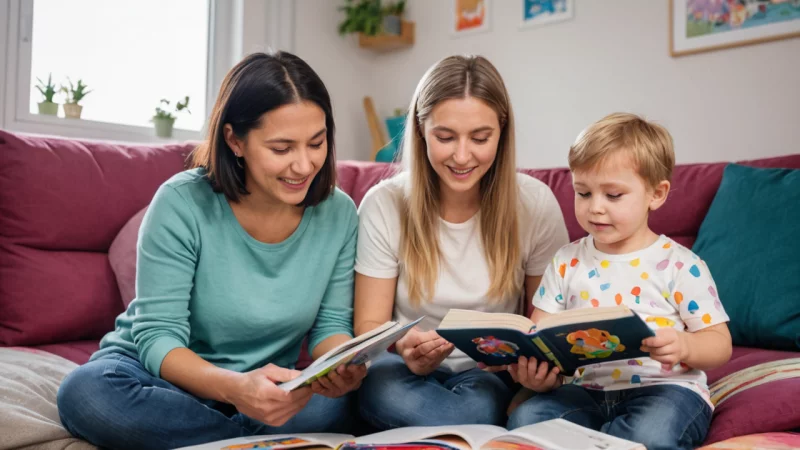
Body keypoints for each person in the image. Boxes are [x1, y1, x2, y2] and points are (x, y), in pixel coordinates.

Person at [57, 51, 366, 450]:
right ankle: (252, 442)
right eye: (282, 148)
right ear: (235, 140)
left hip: (264, 391)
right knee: (86, 393)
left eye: (317, 143)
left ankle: (223, 440)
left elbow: (330, 327)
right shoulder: (181, 202)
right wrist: (236, 389)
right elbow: (158, 336)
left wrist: (342, 366)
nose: (304, 165)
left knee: (348, 403)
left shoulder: (339, 213)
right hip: (165, 380)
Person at [354, 55, 569, 430]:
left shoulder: (534, 204)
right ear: (421, 131)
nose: (462, 155)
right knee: (379, 389)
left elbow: (545, 326)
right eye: (445, 137)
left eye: (480, 138)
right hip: (402, 369)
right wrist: (404, 346)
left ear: (501, 133)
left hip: (486, 372)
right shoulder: (384, 203)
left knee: (476, 410)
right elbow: (369, 324)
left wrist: (536, 370)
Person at [506, 113, 732, 450]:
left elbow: (719, 343)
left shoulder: (681, 264)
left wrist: (685, 346)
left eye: (613, 196)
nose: (595, 208)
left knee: (650, 435)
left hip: (665, 390)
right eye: (583, 193)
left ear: (656, 194)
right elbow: (540, 333)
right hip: (583, 391)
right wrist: (535, 373)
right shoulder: (566, 260)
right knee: (526, 421)